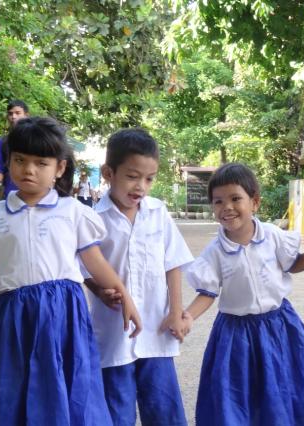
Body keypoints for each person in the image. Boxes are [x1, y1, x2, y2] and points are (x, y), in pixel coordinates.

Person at [0, 117, 142, 425]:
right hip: (14, 319)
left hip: (65, 315)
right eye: (20, 160)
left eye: (40, 163)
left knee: (74, 384)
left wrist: (126, 297)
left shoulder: (73, 212)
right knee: (15, 386)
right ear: (8, 162)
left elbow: (95, 262)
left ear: (58, 168)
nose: (29, 170)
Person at [182, 163, 304, 426]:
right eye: (218, 201)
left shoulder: (272, 236)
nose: (227, 207)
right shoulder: (214, 253)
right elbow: (207, 293)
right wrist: (188, 316)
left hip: (280, 327)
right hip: (235, 336)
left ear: (255, 202)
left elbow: (293, 263)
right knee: (237, 396)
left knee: (291, 387)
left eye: (236, 198)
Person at [84, 128, 194, 426]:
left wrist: (175, 312)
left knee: (164, 408)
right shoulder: (94, 219)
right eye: (132, 176)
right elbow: (85, 269)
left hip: (156, 329)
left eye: (149, 178)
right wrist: (97, 289)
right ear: (109, 172)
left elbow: (173, 263)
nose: (141, 186)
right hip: (114, 333)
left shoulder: (157, 212)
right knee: (115, 409)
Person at [0, 100, 29, 199]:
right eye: (10, 114)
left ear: (26, 115)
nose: (13, 117)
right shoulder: (3, 142)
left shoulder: (37, 139)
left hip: (34, 194)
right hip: (10, 195)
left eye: (18, 113)